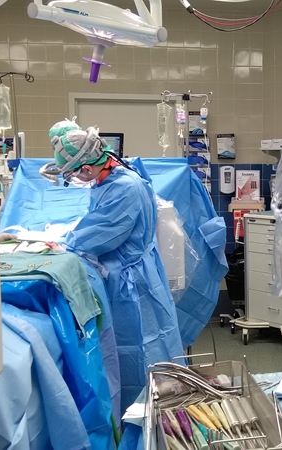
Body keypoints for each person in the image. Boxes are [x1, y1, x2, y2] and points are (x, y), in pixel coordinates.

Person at [48, 119, 184, 412]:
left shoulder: (124, 188)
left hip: (133, 286)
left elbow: (95, 236)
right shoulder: (111, 175)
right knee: (136, 355)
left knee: (144, 353)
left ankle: (151, 420)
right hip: (132, 276)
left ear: (86, 168)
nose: (74, 180)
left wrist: (57, 240)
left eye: (73, 174)